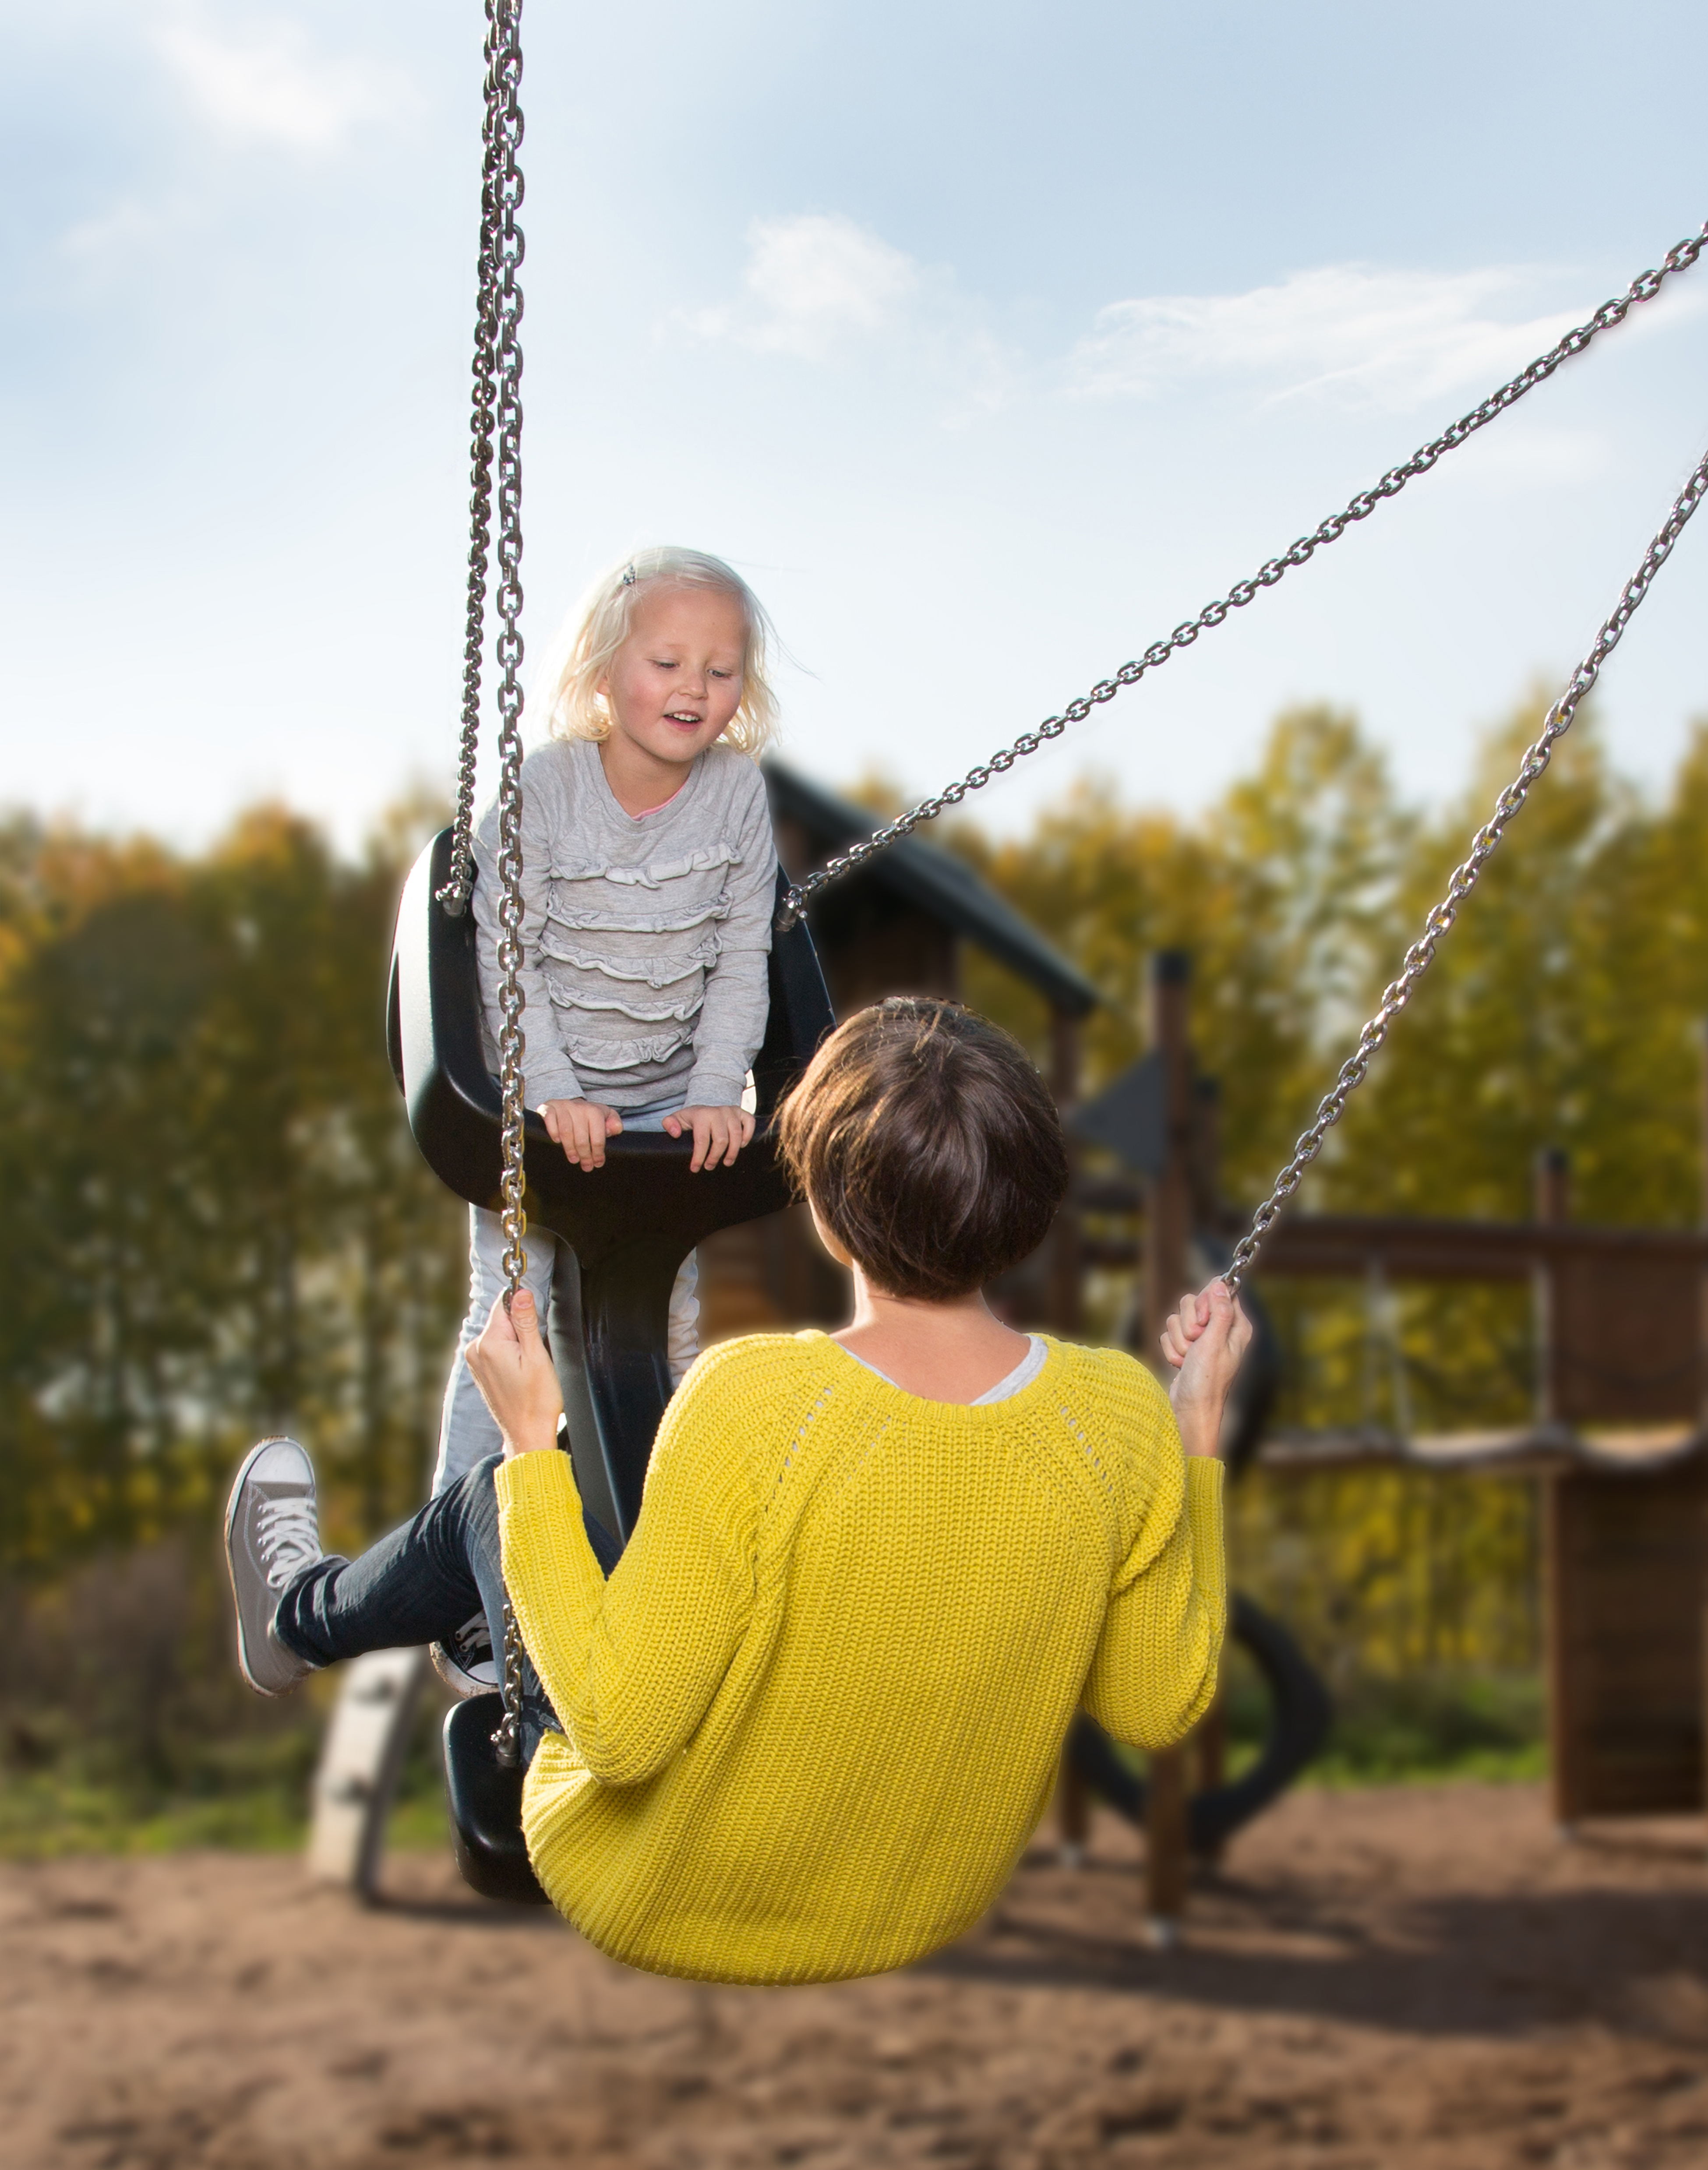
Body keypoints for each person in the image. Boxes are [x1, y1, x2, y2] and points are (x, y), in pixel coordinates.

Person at [224, 999, 1253, 1988]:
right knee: (642, 1522)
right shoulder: (1118, 1415)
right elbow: (1157, 1703)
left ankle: (296, 1619)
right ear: (1032, 1203)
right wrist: (1195, 1427)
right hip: (921, 1904)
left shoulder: (760, 1402)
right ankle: (463, 1630)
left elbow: (623, 1738)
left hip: (654, 1884)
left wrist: (533, 1434)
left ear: (829, 1214)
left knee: (496, 1498)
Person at [430, 544, 783, 1691]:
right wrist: (551, 1089)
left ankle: (643, 1571)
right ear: (601, 672)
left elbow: (741, 957)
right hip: (538, 1097)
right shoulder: (540, 790)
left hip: (665, 1111)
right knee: (515, 1320)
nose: (695, 686)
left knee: (660, 1334)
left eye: (723, 669)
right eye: (669, 659)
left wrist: (714, 1091)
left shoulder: (737, 797)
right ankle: (465, 1586)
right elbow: (505, 954)